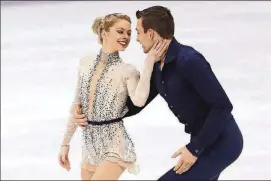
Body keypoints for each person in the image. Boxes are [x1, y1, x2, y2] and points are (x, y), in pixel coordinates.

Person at [74, 6, 244, 180]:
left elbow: (222, 106)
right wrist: (92, 113)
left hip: (222, 142)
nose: (137, 39)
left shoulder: (188, 60)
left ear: (151, 34)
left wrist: (194, 149)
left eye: (138, 32)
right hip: (202, 139)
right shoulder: (157, 66)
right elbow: (136, 103)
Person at [58, 13, 168, 180]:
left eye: (129, 33)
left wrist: (149, 63)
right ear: (104, 33)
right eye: (120, 31)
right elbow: (76, 104)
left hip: (115, 143)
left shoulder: (127, 71)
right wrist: (65, 143)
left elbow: (139, 100)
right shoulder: (85, 63)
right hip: (89, 143)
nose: (126, 37)